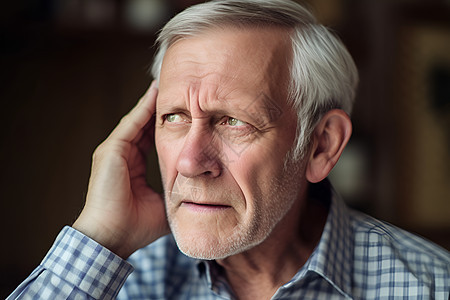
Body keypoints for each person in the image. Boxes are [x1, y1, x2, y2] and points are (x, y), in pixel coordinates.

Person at [8, 0, 450, 299]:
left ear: (321, 146)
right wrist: (100, 238)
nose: (189, 161)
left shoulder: (429, 287)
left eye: (232, 121)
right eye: (174, 116)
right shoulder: (116, 279)